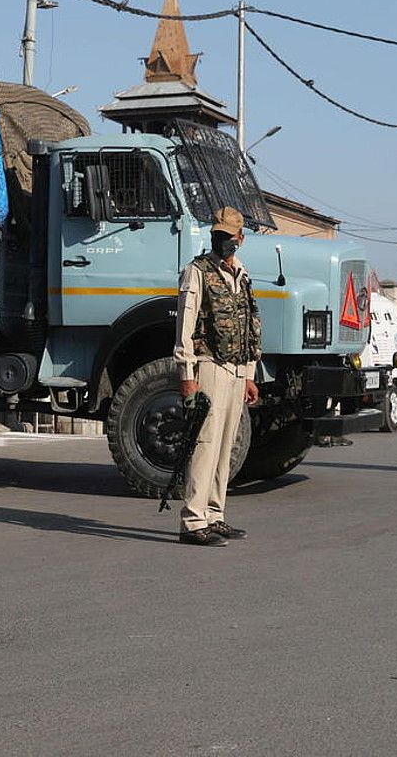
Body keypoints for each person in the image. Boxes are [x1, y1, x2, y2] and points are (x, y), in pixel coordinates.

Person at [172, 206, 261, 546]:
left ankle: (215, 514)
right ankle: (193, 521)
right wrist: (187, 372)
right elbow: (185, 324)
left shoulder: (242, 274)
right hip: (209, 365)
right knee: (205, 442)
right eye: (217, 234)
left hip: (237, 369)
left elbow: (248, 324)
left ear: (240, 238)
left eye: (228, 235)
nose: (221, 240)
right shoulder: (197, 271)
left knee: (225, 445)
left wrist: (250, 374)